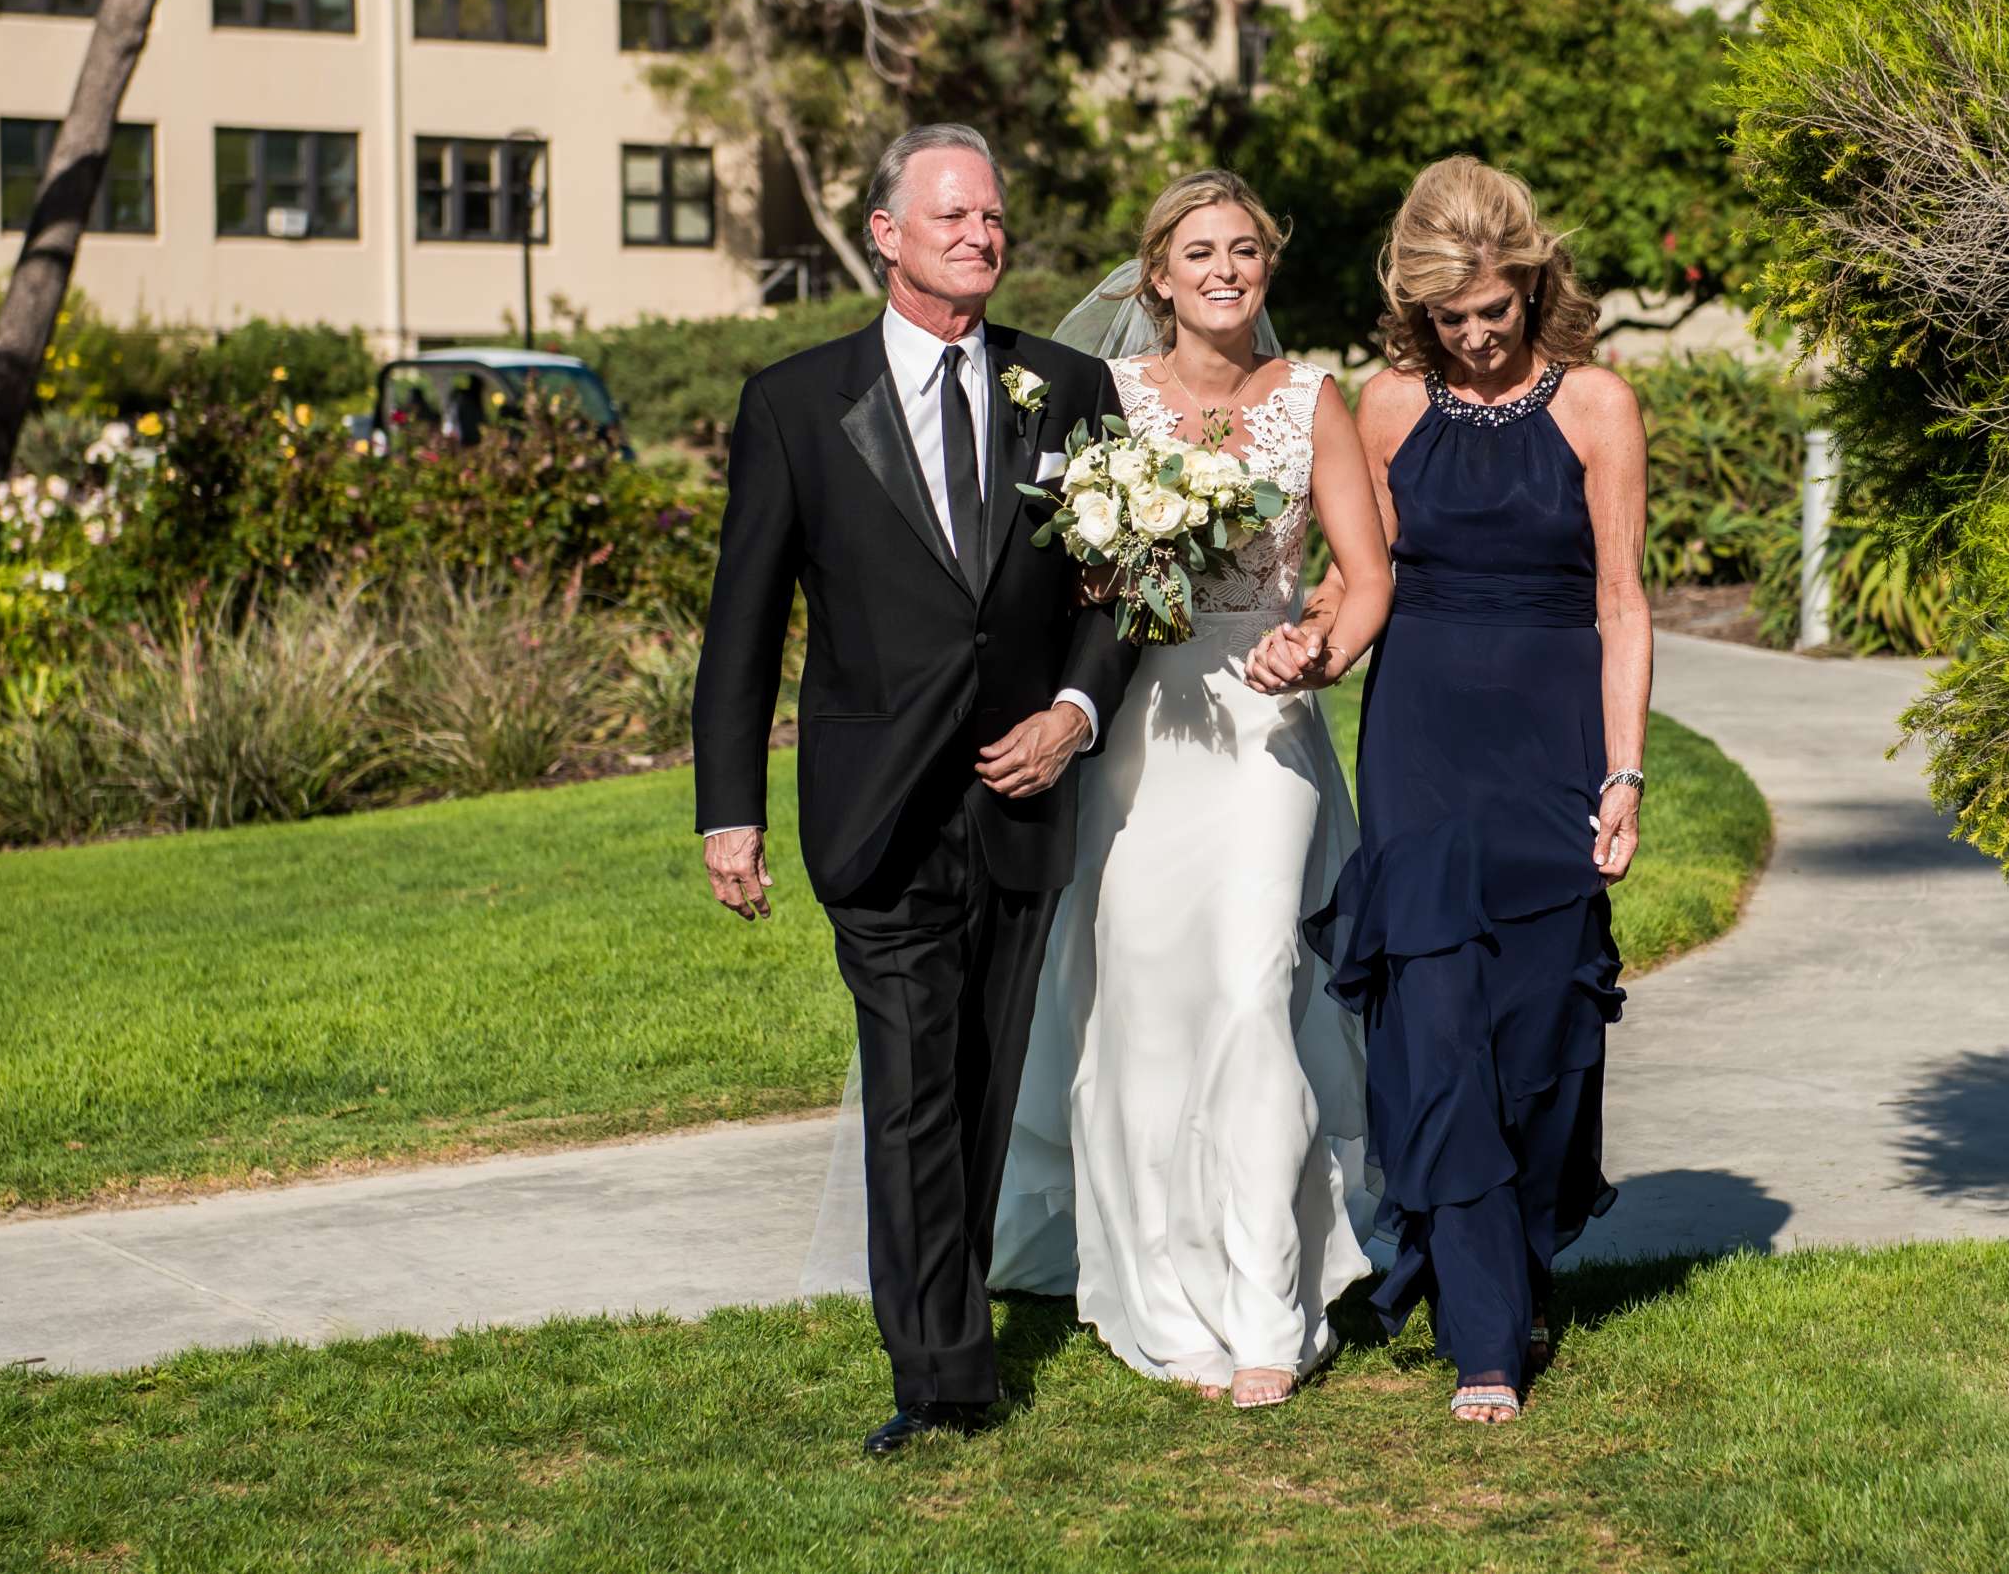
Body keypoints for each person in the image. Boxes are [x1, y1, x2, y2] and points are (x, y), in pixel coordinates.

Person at [690, 123, 1140, 1457]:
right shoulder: (793, 403)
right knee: (908, 1083)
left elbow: (1117, 596)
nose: (981, 236)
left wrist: (1073, 711)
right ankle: (941, 1373)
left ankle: (954, 1317)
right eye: (953, 217)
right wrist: (730, 809)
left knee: (985, 1077)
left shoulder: (1068, 390)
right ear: (886, 234)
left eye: (995, 218)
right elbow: (743, 624)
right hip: (875, 801)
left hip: (1020, 793)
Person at [989, 171, 1395, 1408]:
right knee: (1144, 1007)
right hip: (1133, 737)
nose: (1228, 270)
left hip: (1263, 727)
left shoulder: (1313, 401)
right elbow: (1049, 577)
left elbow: (1367, 575)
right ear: (1156, 278)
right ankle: (1166, 1297)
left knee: (1254, 985)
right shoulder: (1100, 401)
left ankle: (1270, 1302)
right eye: (1201, 253)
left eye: (1247, 251)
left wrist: (1318, 647)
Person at [1296, 154, 1652, 1424]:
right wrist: (1312, 641)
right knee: (1437, 1020)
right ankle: (1487, 1342)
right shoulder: (1386, 407)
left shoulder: (1598, 406)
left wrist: (1623, 771)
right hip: (1423, 742)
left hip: (1554, 741)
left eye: (1493, 310)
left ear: (1531, 282)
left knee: (1541, 1034)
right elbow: (1358, 579)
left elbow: (1621, 600)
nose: (1478, 336)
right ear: (1418, 311)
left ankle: (1510, 1248)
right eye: (1451, 318)